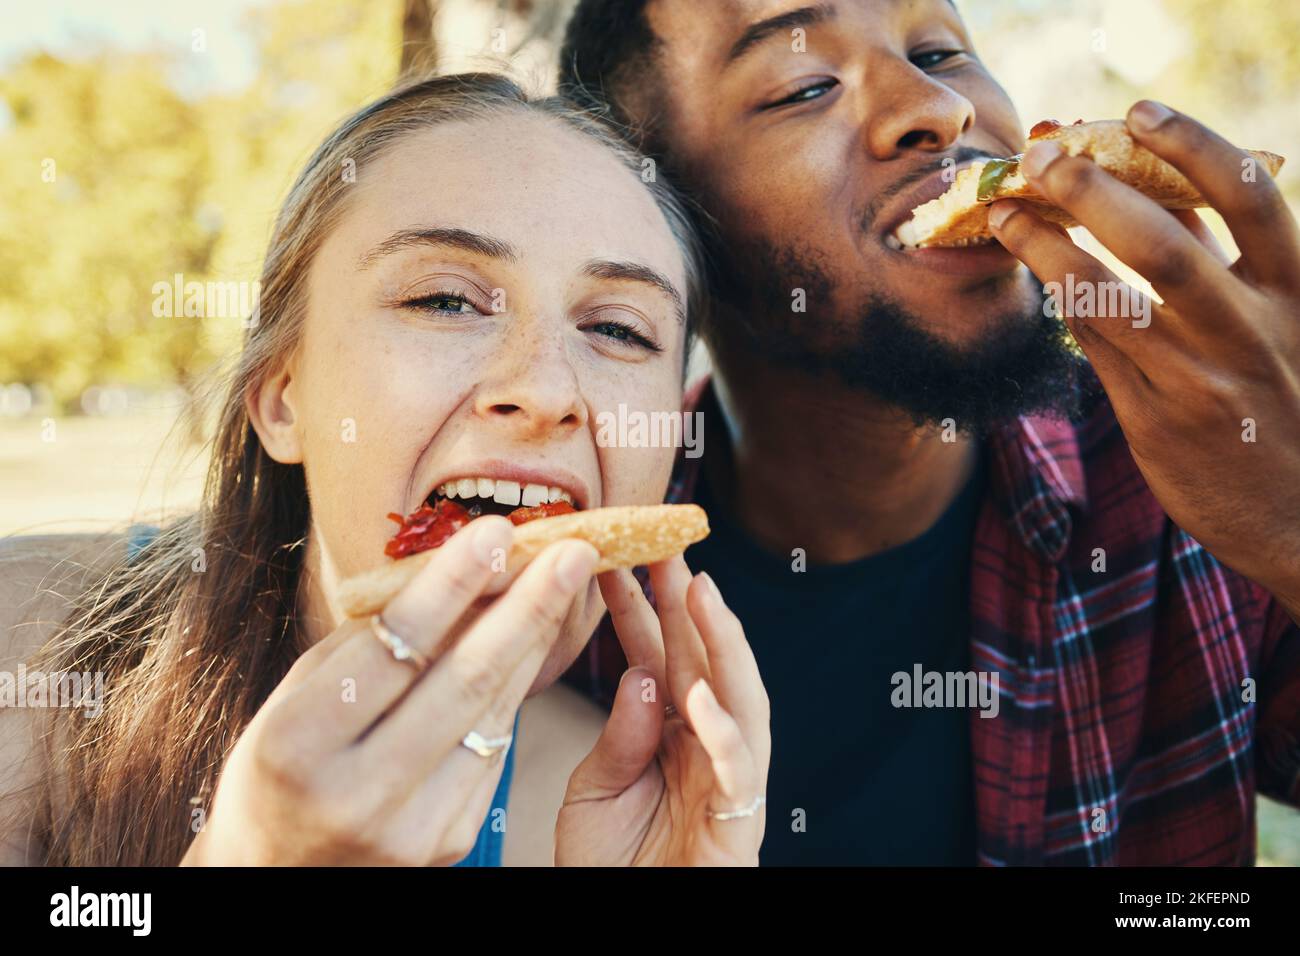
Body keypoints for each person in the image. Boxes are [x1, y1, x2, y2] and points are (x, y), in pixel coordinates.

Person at [558, 0, 1300, 864]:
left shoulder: (1198, 458)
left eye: (940, 51)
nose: (939, 109)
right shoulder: (576, 584)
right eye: (805, 86)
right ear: (661, 213)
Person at [0, 73, 770, 867]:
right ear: (283, 398)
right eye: (444, 301)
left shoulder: (600, 810)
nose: (544, 390)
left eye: (616, 328)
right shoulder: (22, 659)